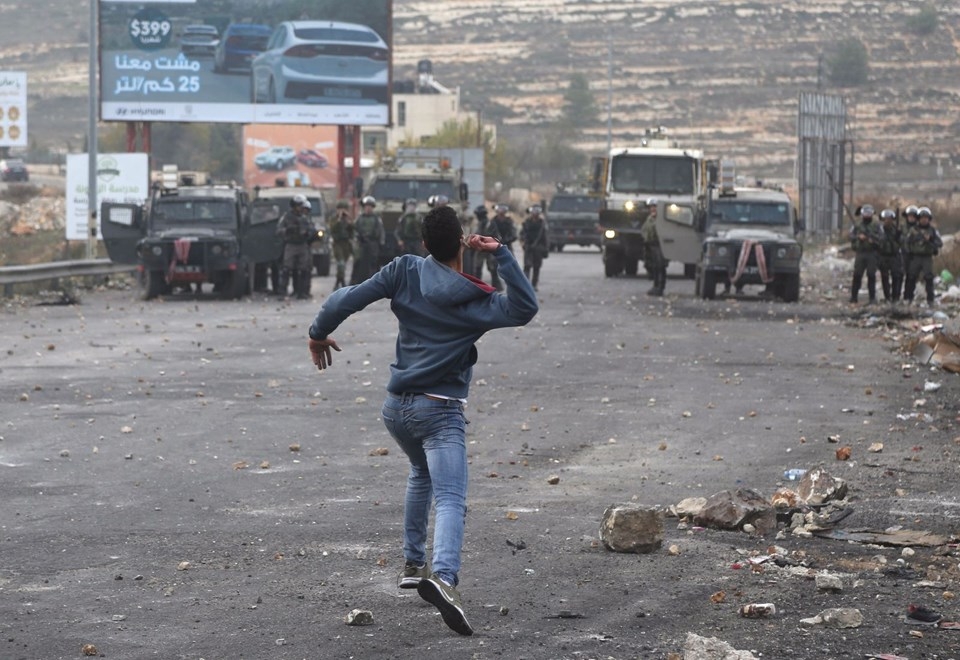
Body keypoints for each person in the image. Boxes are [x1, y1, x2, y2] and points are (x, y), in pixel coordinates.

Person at [306, 205, 539, 636]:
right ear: (464, 243)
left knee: (420, 471)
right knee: (451, 497)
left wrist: (318, 331)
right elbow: (525, 307)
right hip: (439, 409)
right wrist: (501, 253)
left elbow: (346, 298)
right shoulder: (477, 299)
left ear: (425, 244)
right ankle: (444, 579)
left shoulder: (404, 270)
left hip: (396, 409)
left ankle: (414, 562)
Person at [275, 194, 315, 300]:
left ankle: (302, 292)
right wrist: (288, 230)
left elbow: (312, 229)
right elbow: (278, 230)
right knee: (286, 269)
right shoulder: (287, 217)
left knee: (304, 269)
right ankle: (282, 292)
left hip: (302, 244)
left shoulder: (305, 217)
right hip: (291, 245)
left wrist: (308, 233)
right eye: (299, 206)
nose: (301, 208)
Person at [903, 206, 942, 306]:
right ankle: (908, 299)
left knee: (929, 278)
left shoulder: (933, 231)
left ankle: (930, 301)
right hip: (915, 257)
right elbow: (906, 243)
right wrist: (909, 252)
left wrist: (930, 240)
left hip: (926, 257)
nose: (924, 220)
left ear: (929, 219)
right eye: (922, 218)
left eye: (926, 218)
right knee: (911, 277)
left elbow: (939, 243)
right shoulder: (913, 230)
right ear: (918, 219)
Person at [848, 204, 882, 304]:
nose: (867, 215)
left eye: (869, 213)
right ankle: (854, 297)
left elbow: (881, 237)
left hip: (872, 253)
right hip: (860, 253)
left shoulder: (877, 225)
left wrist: (873, 240)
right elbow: (851, 236)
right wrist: (859, 237)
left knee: (871, 275)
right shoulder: (857, 225)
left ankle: (872, 298)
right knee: (857, 275)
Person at [350, 196, 385, 285]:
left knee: (373, 264)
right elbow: (354, 230)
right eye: (366, 206)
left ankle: (374, 283)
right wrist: (357, 238)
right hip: (361, 244)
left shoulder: (377, 219)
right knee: (358, 264)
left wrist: (380, 243)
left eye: (370, 206)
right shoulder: (359, 219)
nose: (368, 208)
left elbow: (380, 232)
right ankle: (355, 283)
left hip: (372, 244)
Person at [485, 204, 517, 291]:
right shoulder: (493, 221)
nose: (501, 211)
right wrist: (495, 239)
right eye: (500, 209)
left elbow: (514, 234)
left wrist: (507, 239)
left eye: (503, 209)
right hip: (495, 246)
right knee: (492, 265)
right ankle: (496, 284)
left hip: (507, 245)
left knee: (512, 265)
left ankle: (513, 286)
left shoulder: (509, 221)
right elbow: (487, 233)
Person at [640, 198, 667, 296]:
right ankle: (655, 286)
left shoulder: (662, 219)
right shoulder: (649, 219)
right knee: (653, 266)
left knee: (660, 267)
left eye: (655, 207)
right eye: (651, 207)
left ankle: (660, 287)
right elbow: (644, 230)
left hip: (659, 245)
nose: (653, 209)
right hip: (650, 245)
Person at [519, 205, 549, 290]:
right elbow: (522, 234)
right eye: (534, 211)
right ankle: (525, 285)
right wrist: (523, 243)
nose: (535, 213)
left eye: (537, 211)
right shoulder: (527, 222)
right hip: (528, 246)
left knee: (536, 267)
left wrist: (546, 248)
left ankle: (534, 284)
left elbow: (545, 236)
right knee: (527, 266)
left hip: (538, 247)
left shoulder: (542, 223)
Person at [877, 208, 903, 303]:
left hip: (894, 256)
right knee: (885, 277)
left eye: (890, 219)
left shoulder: (896, 230)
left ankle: (895, 297)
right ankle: (887, 296)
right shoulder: (879, 230)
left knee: (896, 276)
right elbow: (877, 242)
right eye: (886, 219)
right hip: (883, 256)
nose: (888, 221)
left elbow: (902, 243)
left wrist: (898, 237)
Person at [329, 199, 355, 290]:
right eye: (340, 209)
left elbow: (354, 230)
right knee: (341, 263)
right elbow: (332, 229)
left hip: (346, 244)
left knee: (344, 264)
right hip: (337, 244)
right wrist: (339, 219)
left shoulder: (348, 219)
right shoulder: (334, 219)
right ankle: (341, 282)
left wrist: (349, 221)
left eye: (344, 209)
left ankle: (338, 282)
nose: (342, 211)